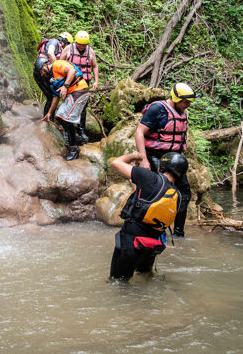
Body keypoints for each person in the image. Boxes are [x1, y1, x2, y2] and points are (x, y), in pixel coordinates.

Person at [109, 151, 188, 282]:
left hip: (132, 240)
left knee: (117, 282)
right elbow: (146, 199)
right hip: (152, 246)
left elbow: (115, 163)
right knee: (146, 277)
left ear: (163, 166)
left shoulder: (149, 177)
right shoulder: (178, 195)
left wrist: (135, 156)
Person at [134, 82, 196, 237]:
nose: (187, 105)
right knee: (159, 192)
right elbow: (139, 132)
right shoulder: (158, 109)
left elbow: (180, 131)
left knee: (185, 194)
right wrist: (143, 159)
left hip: (174, 160)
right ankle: (152, 229)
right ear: (176, 98)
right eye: (185, 102)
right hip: (155, 156)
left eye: (189, 102)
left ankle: (178, 233)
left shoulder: (181, 112)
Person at [38, 58, 89, 161]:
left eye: (42, 72)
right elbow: (56, 97)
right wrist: (49, 113)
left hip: (79, 90)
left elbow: (72, 70)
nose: (42, 75)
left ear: (44, 66)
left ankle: (73, 148)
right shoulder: (53, 79)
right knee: (59, 117)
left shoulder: (57, 64)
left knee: (66, 119)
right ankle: (76, 138)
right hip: (73, 93)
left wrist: (65, 86)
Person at [61, 30, 99, 143]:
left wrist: (96, 81)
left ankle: (81, 130)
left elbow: (95, 66)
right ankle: (67, 130)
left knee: (82, 107)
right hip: (71, 82)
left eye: (84, 44)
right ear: (76, 42)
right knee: (69, 105)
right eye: (80, 44)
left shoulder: (90, 51)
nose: (82, 46)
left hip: (84, 84)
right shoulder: (69, 49)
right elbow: (60, 63)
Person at [33, 32, 73, 116]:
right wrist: (57, 67)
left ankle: (48, 117)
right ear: (65, 42)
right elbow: (50, 53)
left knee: (52, 96)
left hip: (39, 69)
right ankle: (48, 119)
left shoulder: (57, 45)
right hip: (43, 69)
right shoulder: (54, 42)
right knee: (53, 96)